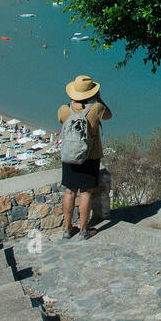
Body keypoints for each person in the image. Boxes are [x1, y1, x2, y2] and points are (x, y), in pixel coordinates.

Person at [57, 74, 111, 239]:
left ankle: (67, 229)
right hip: (90, 156)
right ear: (92, 93)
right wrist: (99, 100)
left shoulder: (64, 109)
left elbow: (61, 121)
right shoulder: (96, 109)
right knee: (86, 193)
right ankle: (83, 230)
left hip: (69, 155)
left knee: (69, 191)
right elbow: (109, 115)